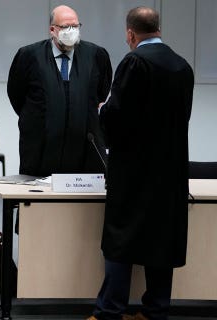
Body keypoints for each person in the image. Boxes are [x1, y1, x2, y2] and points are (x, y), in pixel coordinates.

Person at [90, 7, 194, 320]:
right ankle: (155, 311)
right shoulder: (182, 66)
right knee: (161, 243)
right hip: (171, 173)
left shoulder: (135, 62)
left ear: (130, 34)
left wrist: (103, 110)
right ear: (159, 29)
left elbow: (118, 116)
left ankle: (110, 311)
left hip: (134, 173)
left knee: (121, 243)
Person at [7, 5, 112, 177]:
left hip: (84, 151)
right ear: (52, 30)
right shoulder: (29, 55)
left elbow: (101, 91)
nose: (71, 31)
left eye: (75, 26)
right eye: (65, 27)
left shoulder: (96, 55)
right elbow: (16, 95)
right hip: (41, 150)